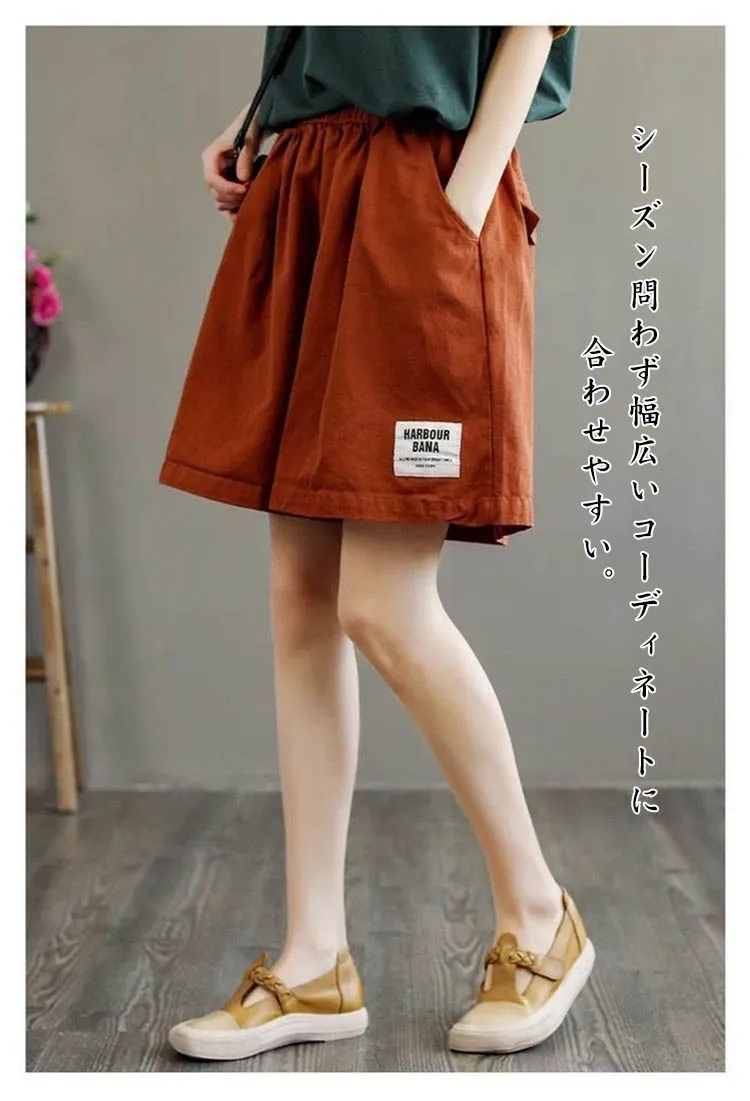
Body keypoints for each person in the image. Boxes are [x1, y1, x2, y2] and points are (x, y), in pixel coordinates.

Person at [161, 25, 593, 1062]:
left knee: (382, 604)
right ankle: (314, 958)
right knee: (302, 595)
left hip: (420, 186)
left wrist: (460, 201)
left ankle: (540, 914)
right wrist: (257, 115)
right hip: (309, 183)